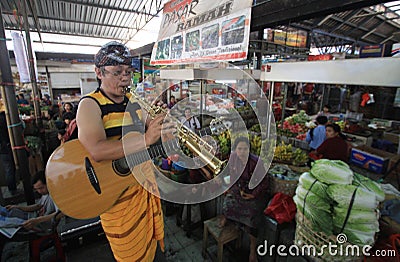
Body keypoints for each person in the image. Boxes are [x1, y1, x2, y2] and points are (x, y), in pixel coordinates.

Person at [76, 41, 168, 261]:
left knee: (155, 254)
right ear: (98, 72)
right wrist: (146, 139)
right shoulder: (90, 105)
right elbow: (97, 149)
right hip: (116, 200)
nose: (125, 78)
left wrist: (164, 125)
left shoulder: (134, 102)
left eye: (128, 71)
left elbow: (156, 137)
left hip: (143, 189)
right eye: (117, 72)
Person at [219, 137, 269, 262]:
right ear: (235, 150)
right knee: (228, 202)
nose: (242, 152)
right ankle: (228, 217)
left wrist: (253, 195)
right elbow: (231, 176)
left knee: (253, 215)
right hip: (239, 189)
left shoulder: (256, 162)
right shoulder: (233, 159)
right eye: (239, 149)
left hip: (254, 192)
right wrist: (230, 188)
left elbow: (264, 182)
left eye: (245, 149)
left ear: (249, 150)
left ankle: (252, 250)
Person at [0, 104, 17, 195]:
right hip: (5, 147)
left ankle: (12, 188)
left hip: (3, 148)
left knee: (9, 168)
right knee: (9, 168)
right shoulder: (3, 119)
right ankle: (12, 189)